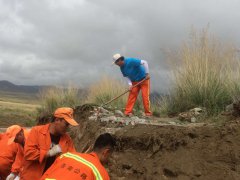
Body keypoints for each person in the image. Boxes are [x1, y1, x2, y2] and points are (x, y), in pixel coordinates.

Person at [20, 107, 79, 180]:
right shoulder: (36, 131)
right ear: (57, 120)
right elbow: (29, 153)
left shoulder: (67, 139)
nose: (68, 127)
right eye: (66, 124)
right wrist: (48, 153)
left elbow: (72, 159)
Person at [41, 133, 116, 180]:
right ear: (106, 152)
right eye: (110, 155)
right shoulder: (100, 173)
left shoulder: (66, 156)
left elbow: (45, 176)